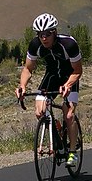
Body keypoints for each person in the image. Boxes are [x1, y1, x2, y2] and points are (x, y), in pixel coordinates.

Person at [16, 13, 83, 167]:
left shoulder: (69, 44)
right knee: (39, 111)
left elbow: (78, 71)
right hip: (52, 76)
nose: (44, 38)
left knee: (69, 113)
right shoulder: (35, 45)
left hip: (70, 75)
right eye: (40, 35)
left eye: (47, 34)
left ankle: (72, 152)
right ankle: (56, 128)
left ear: (54, 33)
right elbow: (28, 68)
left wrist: (67, 85)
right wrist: (22, 86)